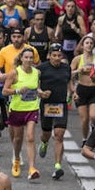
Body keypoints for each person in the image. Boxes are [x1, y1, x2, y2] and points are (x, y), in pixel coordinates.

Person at [4, 47, 42, 180]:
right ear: (21, 58)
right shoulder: (15, 73)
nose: (29, 60)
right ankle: (17, 158)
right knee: (18, 138)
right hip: (17, 109)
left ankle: (32, 168)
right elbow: (5, 91)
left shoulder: (37, 72)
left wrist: (42, 93)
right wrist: (18, 91)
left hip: (32, 108)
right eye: (26, 57)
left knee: (30, 137)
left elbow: (36, 88)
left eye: (31, 58)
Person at [36, 43, 73, 180]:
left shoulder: (66, 68)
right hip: (46, 105)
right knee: (46, 133)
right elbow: (36, 86)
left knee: (59, 134)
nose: (57, 58)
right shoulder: (42, 68)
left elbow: (69, 82)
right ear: (49, 56)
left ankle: (57, 166)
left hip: (61, 105)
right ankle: (44, 143)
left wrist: (72, 93)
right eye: (54, 55)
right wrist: (41, 93)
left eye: (59, 55)